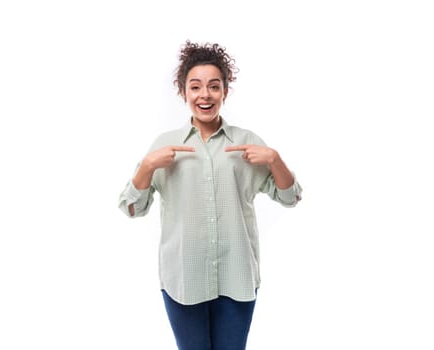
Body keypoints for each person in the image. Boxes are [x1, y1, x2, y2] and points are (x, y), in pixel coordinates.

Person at [118, 40, 302, 350]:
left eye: (214, 87)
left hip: (237, 277)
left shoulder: (247, 143)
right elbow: (132, 207)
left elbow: (290, 197)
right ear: (184, 93)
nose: (205, 95)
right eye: (196, 87)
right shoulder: (165, 146)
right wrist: (147, 166)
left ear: (225, 92)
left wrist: (275, 159)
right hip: (183, 279)